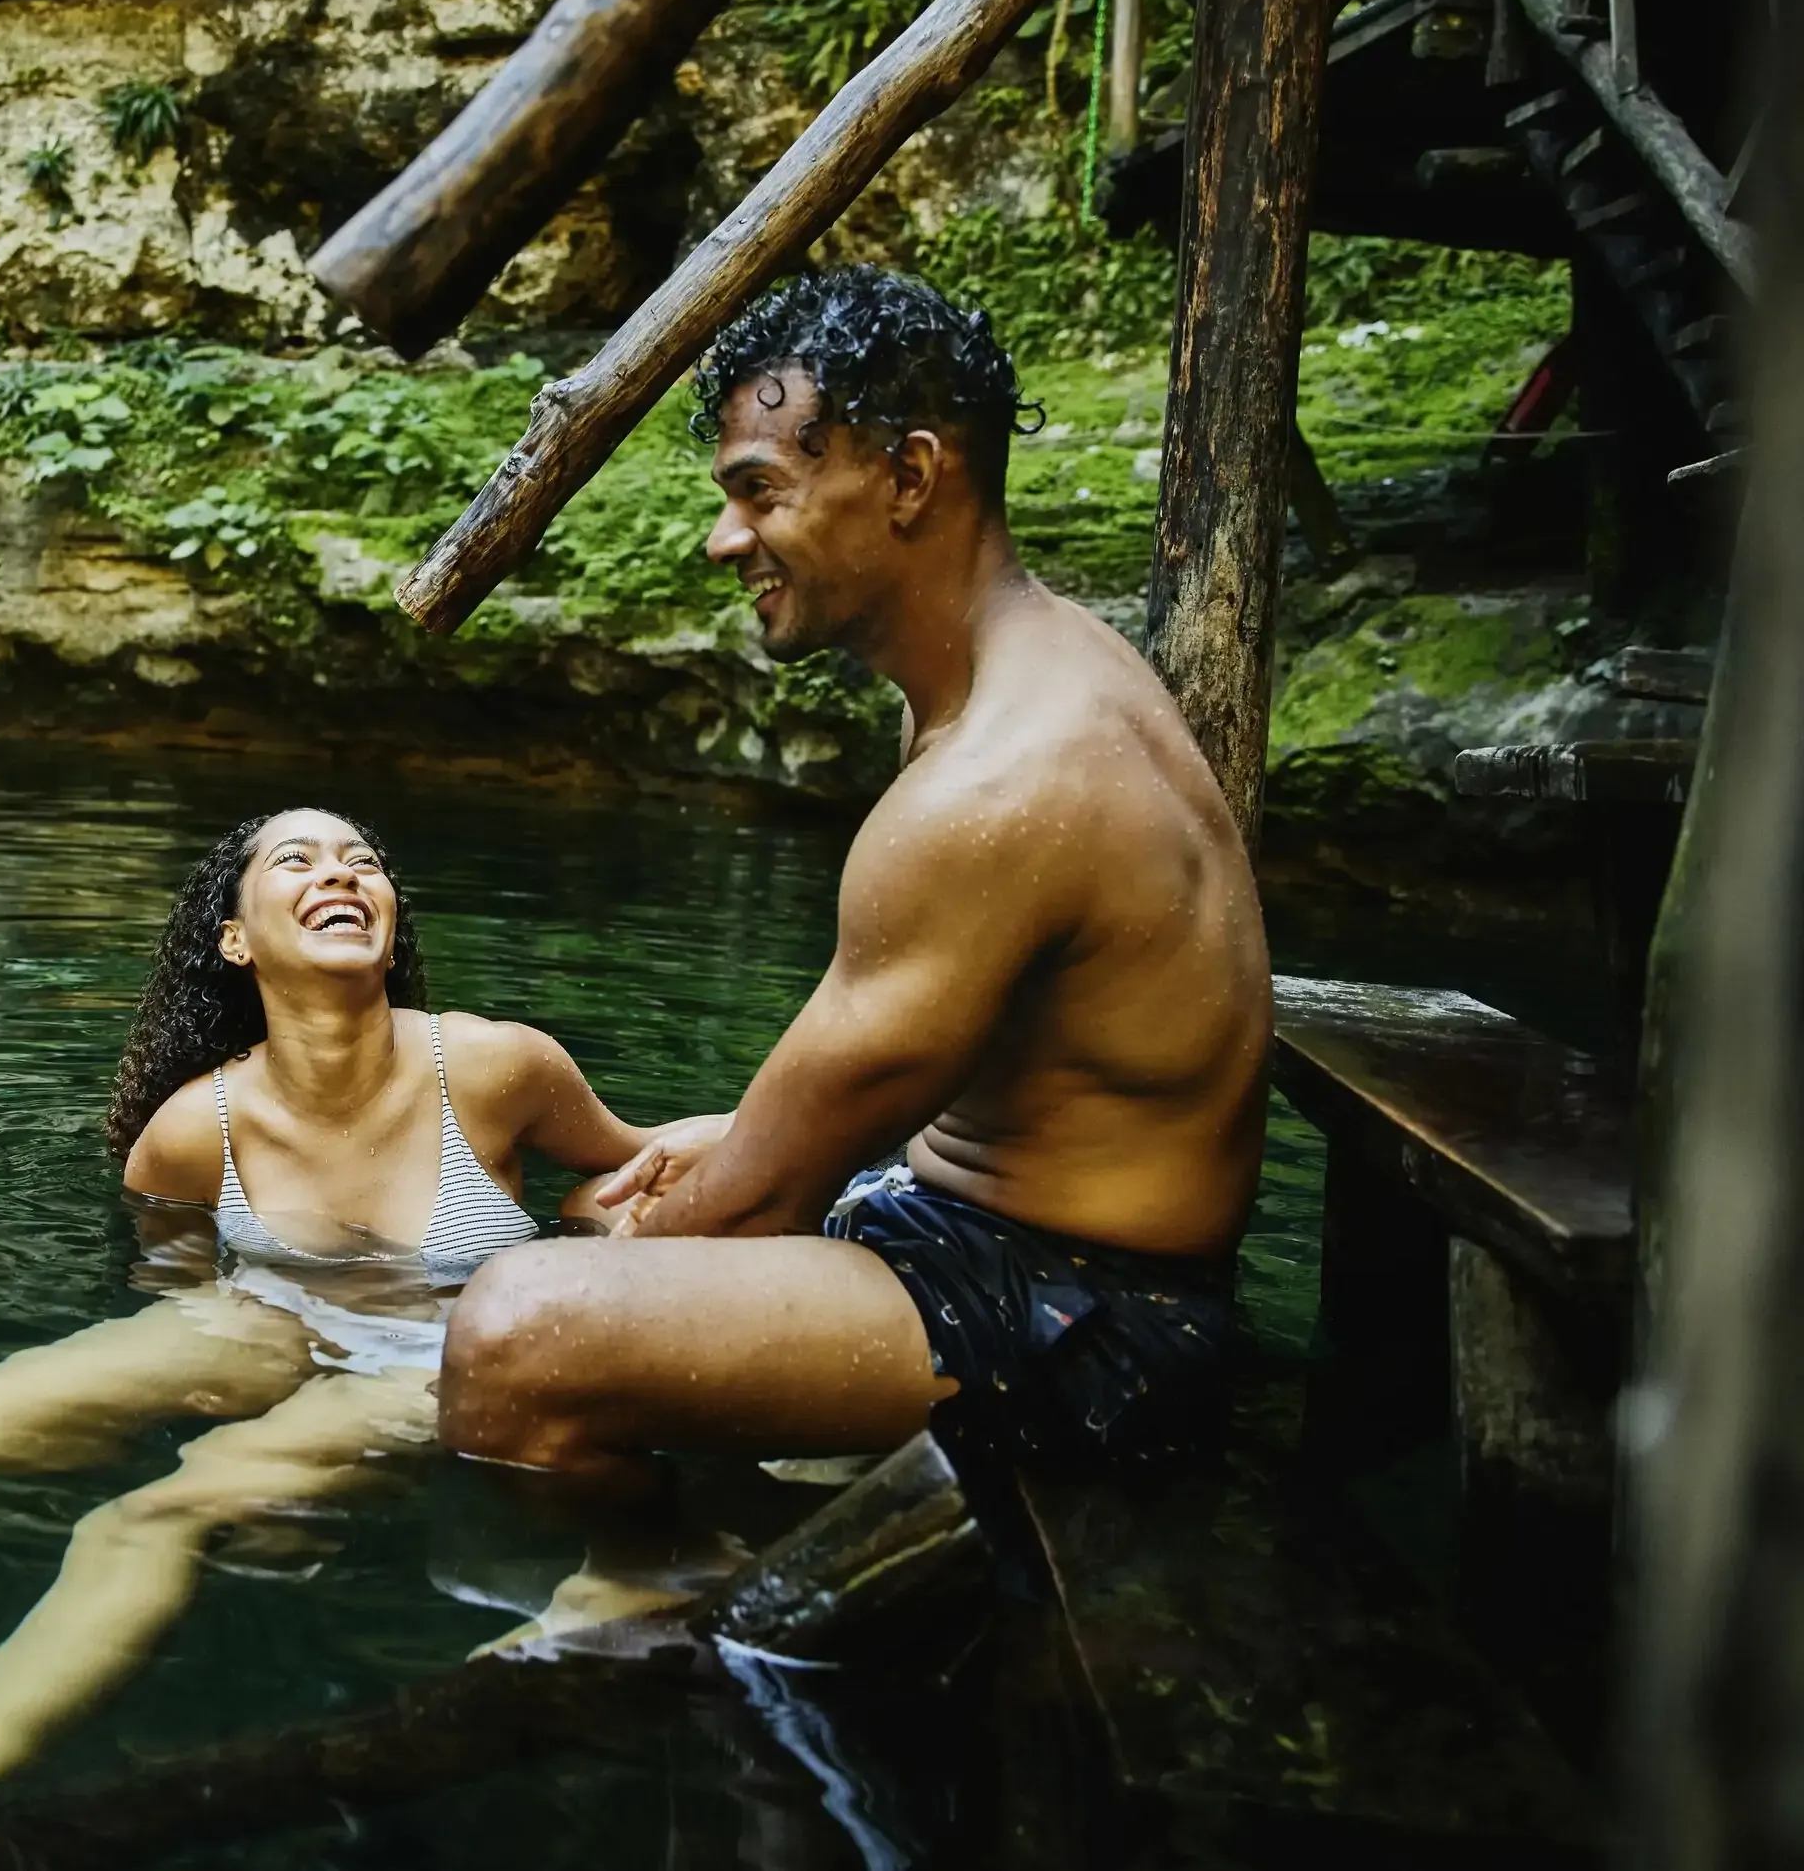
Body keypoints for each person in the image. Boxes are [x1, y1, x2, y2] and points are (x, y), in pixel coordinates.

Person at [436, 265, 1271, 1489]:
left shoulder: (999, 782)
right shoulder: (1017, 676)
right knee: (614, 1202)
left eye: (760, 493)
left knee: (515, 1337)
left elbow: (759, 1197)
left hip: (1097, 1322)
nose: (726, 540)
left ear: (912, 477)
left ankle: (675, 1629)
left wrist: (676, 1223)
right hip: (994, 1232)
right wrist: (703, 1168)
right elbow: (945, 1095)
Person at [0, 806, 662, 1839]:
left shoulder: (494, 1066)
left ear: (392, 921)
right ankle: (248, 1467)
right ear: (235, 938)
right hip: (270, 1325)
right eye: (300, 859)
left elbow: (639, 1159)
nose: (343, 873)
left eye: (366, 860)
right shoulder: (191, 1131)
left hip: (444, 1349)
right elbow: (169, 1282)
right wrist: (232, 1393)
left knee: (149, 1517)